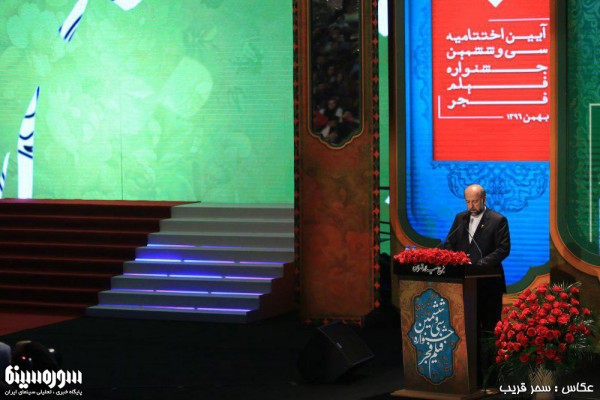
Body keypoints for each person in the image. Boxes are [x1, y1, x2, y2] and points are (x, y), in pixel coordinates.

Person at [444, 184, 510, 387]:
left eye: (475, 201)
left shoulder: (498, 220)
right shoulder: (460, 219)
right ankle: (471, 376)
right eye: (468, 202)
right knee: (467, 330)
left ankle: (492, 378)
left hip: (489, 285)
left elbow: (503, 249)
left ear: (484, 199)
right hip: (466, 286)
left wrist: (479, 265)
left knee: (490, 330)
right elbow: (449, 243)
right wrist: (448, 257)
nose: (471, 205)